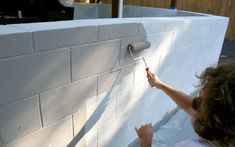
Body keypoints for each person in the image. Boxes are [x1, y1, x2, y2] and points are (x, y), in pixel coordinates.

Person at [135, 63, 235, 147]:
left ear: (214, 115)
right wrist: (160, 85)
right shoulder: (226, 133)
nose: (197, 97)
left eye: (201, 96)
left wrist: (146, 141)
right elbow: (190, 105)